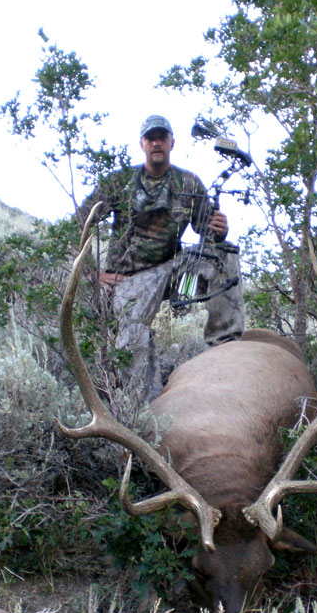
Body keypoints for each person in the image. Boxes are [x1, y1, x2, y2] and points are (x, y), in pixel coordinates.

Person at [77, 115, 244, 403]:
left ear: (171, 142)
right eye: (151, 137)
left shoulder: (188, 182)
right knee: (131, 337)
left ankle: (224, 344)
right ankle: (148, 408)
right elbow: (79, 223)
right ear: (142, 143)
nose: (157, 142)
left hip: (173, 275)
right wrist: (93, 274)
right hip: (128, 282)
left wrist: (220, 231)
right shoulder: (119, 182)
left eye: (162, 137)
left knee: (224, 254)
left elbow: (208, 231)